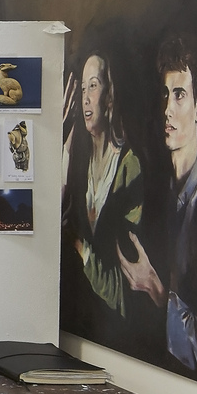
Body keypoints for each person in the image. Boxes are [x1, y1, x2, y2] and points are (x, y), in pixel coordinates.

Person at [119, 33, 197, 392]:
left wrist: (157, 291)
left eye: (180, 95)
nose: (167, 109)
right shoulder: (161, 186)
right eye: (163, 94)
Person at [60, 45, 145, 341]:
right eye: (82, 88)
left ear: (109, 96)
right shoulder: (79, 158)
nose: (84, 97)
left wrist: (76, 243)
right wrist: (63, 138)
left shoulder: (129, 167)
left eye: (93, 86)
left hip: (115, 330)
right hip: (80, 325)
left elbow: (124, 281)